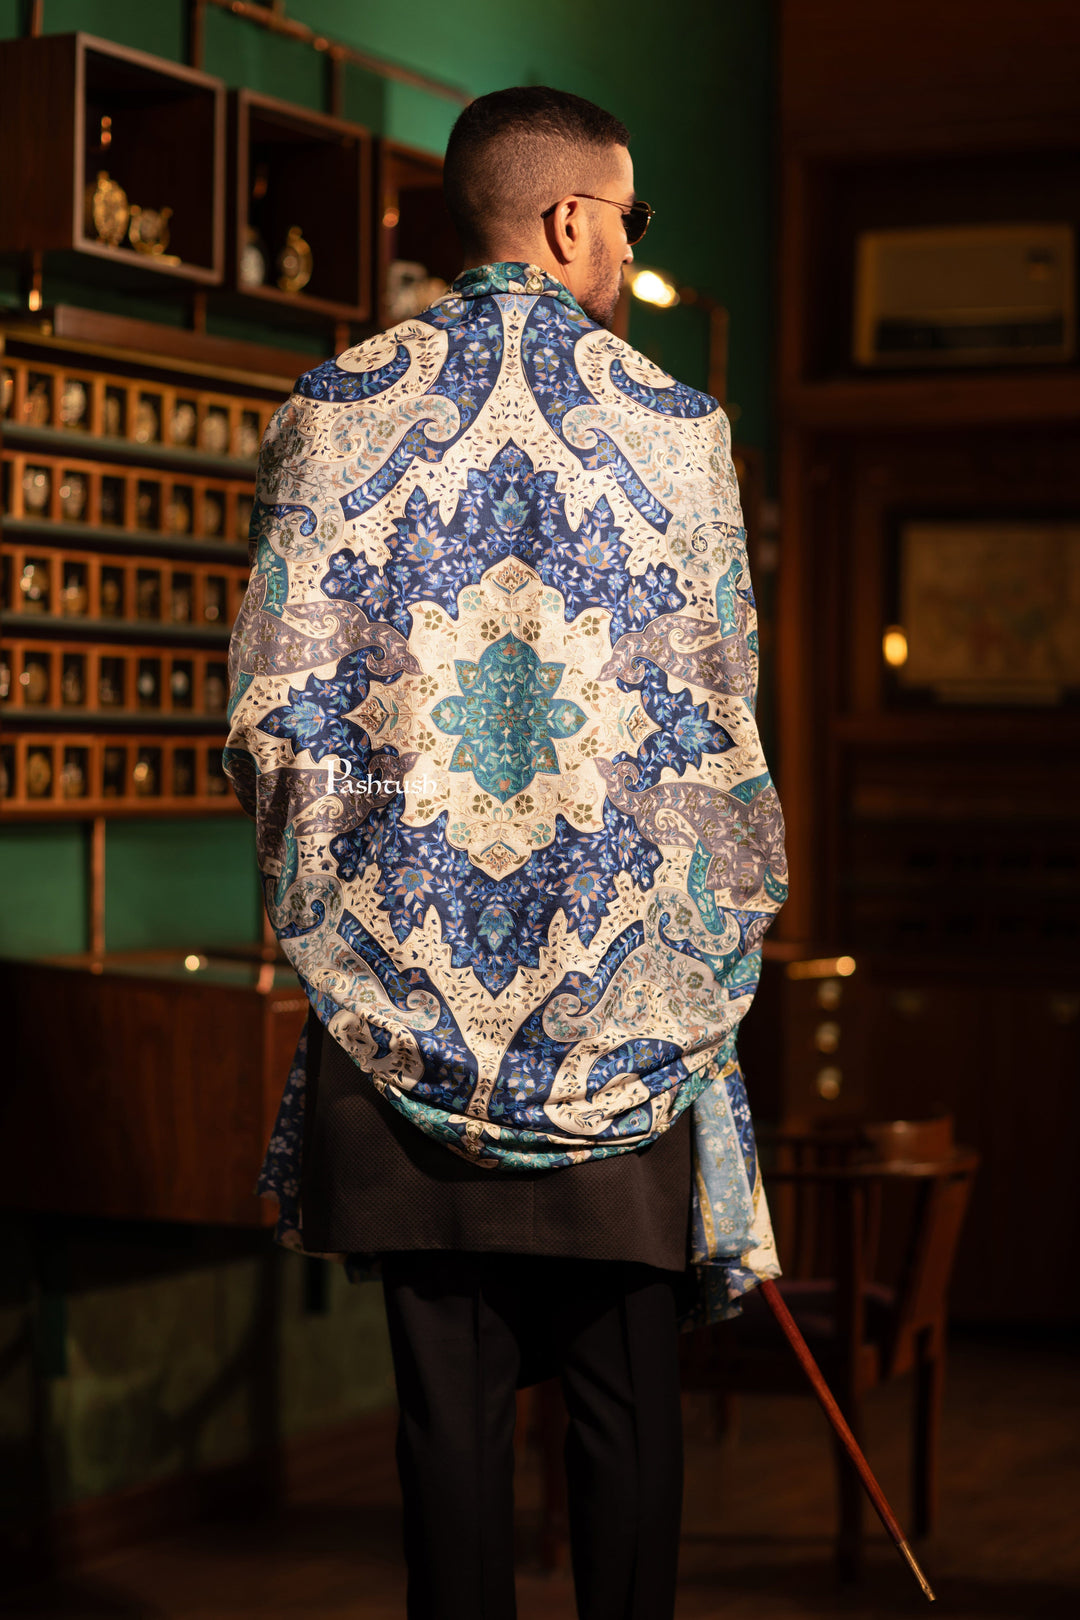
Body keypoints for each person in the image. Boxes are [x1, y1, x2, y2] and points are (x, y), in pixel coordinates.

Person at [226, 85, 786, 1620]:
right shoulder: (681, 433)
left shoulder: (330, 410)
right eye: (630, 218)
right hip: (625, 1013)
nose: (630, 248)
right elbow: (718, 738)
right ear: (568, 217)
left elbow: (276, 724)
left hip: (401, 1015)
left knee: (444, 1433)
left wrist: (349, 923)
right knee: (629, 1416)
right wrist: (707, 952)